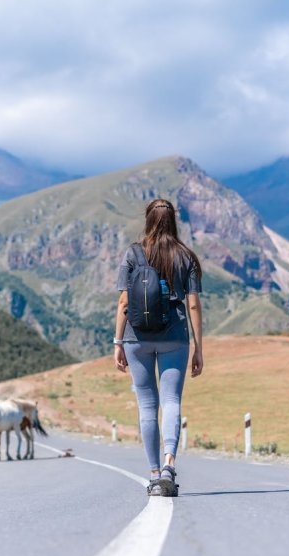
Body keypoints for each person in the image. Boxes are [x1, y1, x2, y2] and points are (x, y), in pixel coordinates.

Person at [113, 198, 203, 497]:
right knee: (172, 401)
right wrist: (198, 347)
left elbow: (124, 302)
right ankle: (168, 466)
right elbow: (192, 304)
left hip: (135, 337)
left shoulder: (133, 253)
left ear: (148, 220)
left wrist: (118, 342)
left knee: (147, 407)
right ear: (173, 220)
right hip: (174, 336)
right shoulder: (185, 256)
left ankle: (153, 475)